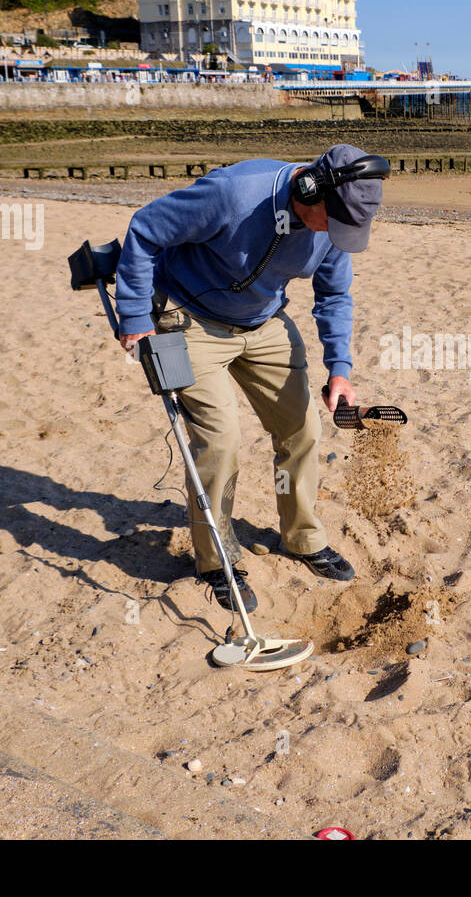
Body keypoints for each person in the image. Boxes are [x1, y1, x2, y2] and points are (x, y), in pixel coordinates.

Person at [113, 145, 384, 611]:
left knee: (303, 430)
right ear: (308, 188)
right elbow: (145, 229)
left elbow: (335, 293)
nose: (335, 235)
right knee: (219, 441)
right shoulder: (232, 194)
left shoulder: (333, 226)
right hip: (187, 320)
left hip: (264, 323)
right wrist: (135, 313)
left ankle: (302, 539)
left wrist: (339, 370)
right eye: (332, 222)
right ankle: (216, 558)